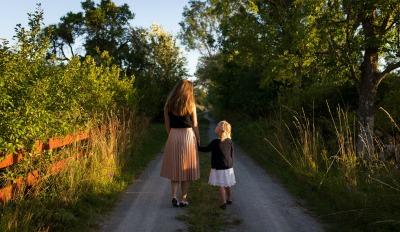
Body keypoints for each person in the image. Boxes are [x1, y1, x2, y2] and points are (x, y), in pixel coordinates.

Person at [160, 80, 200, 208]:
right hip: (188, 136)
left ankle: (173, 196)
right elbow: (194, 124)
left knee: (175, 168)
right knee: (186, 169)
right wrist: (198, 138)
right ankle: (183, 199)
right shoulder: (191, 104)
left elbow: (167, 125)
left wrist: (171, 135)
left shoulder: (168, 105)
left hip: (173, 135)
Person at [198, 120, 236, 209]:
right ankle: (229, 199)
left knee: (221, 185)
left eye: (217, 126)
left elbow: (205, 149)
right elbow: (232, 154)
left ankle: (223, 203)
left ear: (218, 130)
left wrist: (196, 146)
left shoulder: (215, 142)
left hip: (218, 167)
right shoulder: (230, 141)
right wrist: (231, 164)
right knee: (227, 184)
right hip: (228, 167)